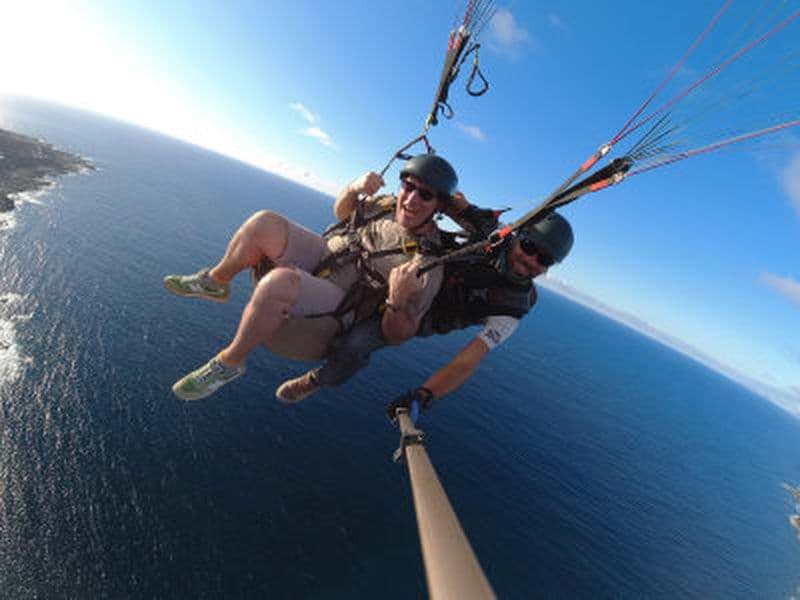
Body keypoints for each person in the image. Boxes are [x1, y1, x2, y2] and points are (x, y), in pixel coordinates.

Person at [164, 154, 459, 400]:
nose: (411, 199)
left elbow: (398, 334)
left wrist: (398, 298)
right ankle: (216, 282)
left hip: (342, 297)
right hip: (325, 256)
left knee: (281, 282)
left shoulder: (426, 263)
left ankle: (230, 362)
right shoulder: (384, 205)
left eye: (425, 194)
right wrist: (354, 189)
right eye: (408, 186)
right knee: (264, 222)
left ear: (438, 207)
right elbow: (343, 213)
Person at [274, 210, 574, 413]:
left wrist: (425, 395)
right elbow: (451, 201)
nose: (532, 260)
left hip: (417, 312)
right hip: (416, 267)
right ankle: (287, 292)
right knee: (348, 268)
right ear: (515, 237)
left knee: (356, 344)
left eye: (544, 259)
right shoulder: (490, 235)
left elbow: (467, 361)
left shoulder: (510, 309)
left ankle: (318, 380)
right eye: (529, 246)